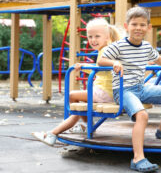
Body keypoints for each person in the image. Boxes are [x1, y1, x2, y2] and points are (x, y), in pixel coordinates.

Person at [98, 6, 161, 172]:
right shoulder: (119, 46)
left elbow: (160, 60)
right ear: (127, 27)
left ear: (148, 27)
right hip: (123, 90)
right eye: (134, 24)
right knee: (142, 115)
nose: (138, 28)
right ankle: (138, 158)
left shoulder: (146, 47)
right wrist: (114, 62)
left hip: (140, 88)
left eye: (142, 25)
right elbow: (101, 60)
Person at [32, 18, 120, 146]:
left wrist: (84, 66)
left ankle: (53, 133)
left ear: (107, 37)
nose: (93, 40)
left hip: (104, 92)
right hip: (105, 91)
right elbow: (101, 70)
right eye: (90, 36)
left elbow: (100, 70)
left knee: (72, 96)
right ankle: (86, 125)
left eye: (97, 36)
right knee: (78, 101)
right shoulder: (108, 49)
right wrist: (86, 66)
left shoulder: (106, 51)